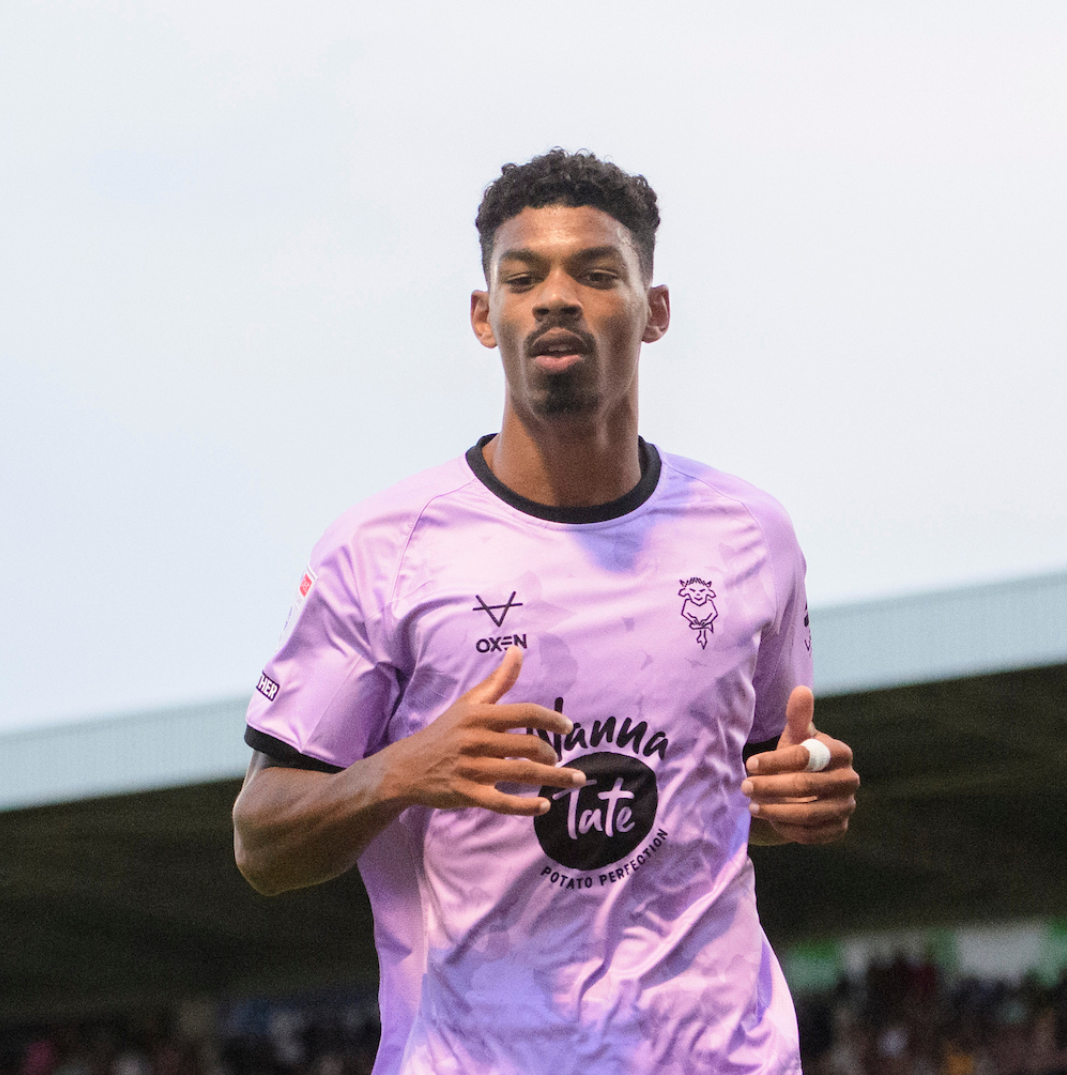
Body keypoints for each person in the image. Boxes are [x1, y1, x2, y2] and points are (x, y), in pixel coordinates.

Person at [230, 148, 861, 1075]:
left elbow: (741, 786)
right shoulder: (383, 549)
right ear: (485, 317)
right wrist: (403, 771)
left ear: (654, 311)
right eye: (523, 279)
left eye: (596, 274)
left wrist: (801, 790)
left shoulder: (751, 534)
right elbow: (261, 841)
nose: (556, 299)